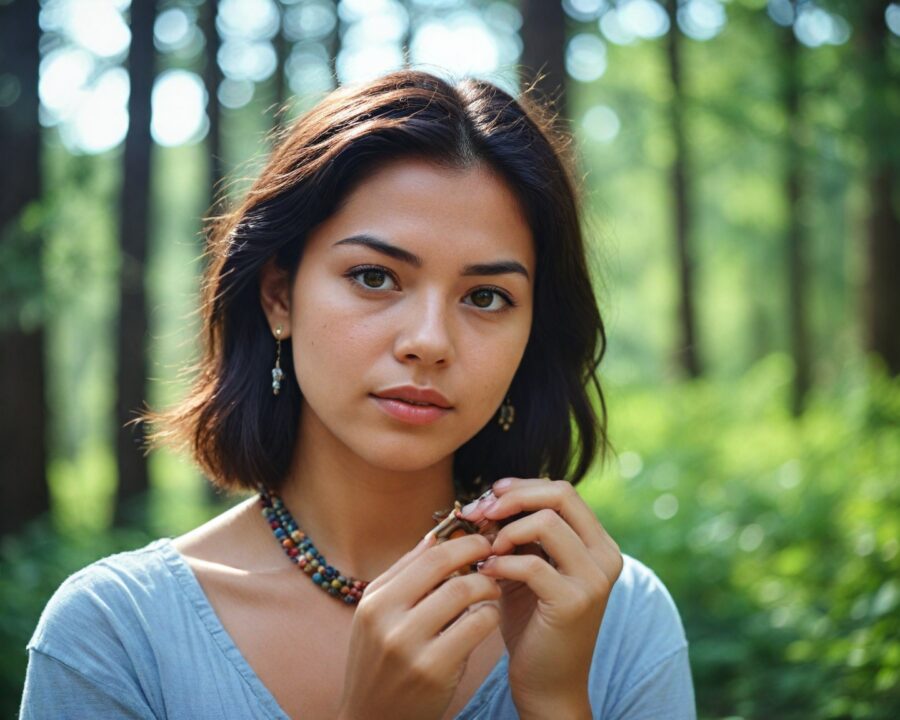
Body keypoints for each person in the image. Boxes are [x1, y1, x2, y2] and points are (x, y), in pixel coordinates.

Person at [19, 69, 695, 719]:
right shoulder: (114, 635)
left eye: (486, 296)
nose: (429, 341)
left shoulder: (617, 618)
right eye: (375, 277)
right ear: (279, 296)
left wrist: (554, 703)